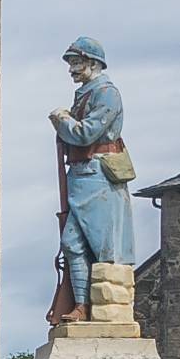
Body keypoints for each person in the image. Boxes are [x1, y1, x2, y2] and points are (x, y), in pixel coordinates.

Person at [47, 34, 134, 323]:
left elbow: (85, 133)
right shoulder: (84, 93)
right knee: (72, 242)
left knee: (103, 247)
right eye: (71, 63)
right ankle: (82, 306)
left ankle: (105, 308)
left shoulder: (107, 93)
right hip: (81, 177)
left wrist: (62, 120)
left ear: (93, 63)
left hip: (98, 177)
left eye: (76, 62)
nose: (72, 69)